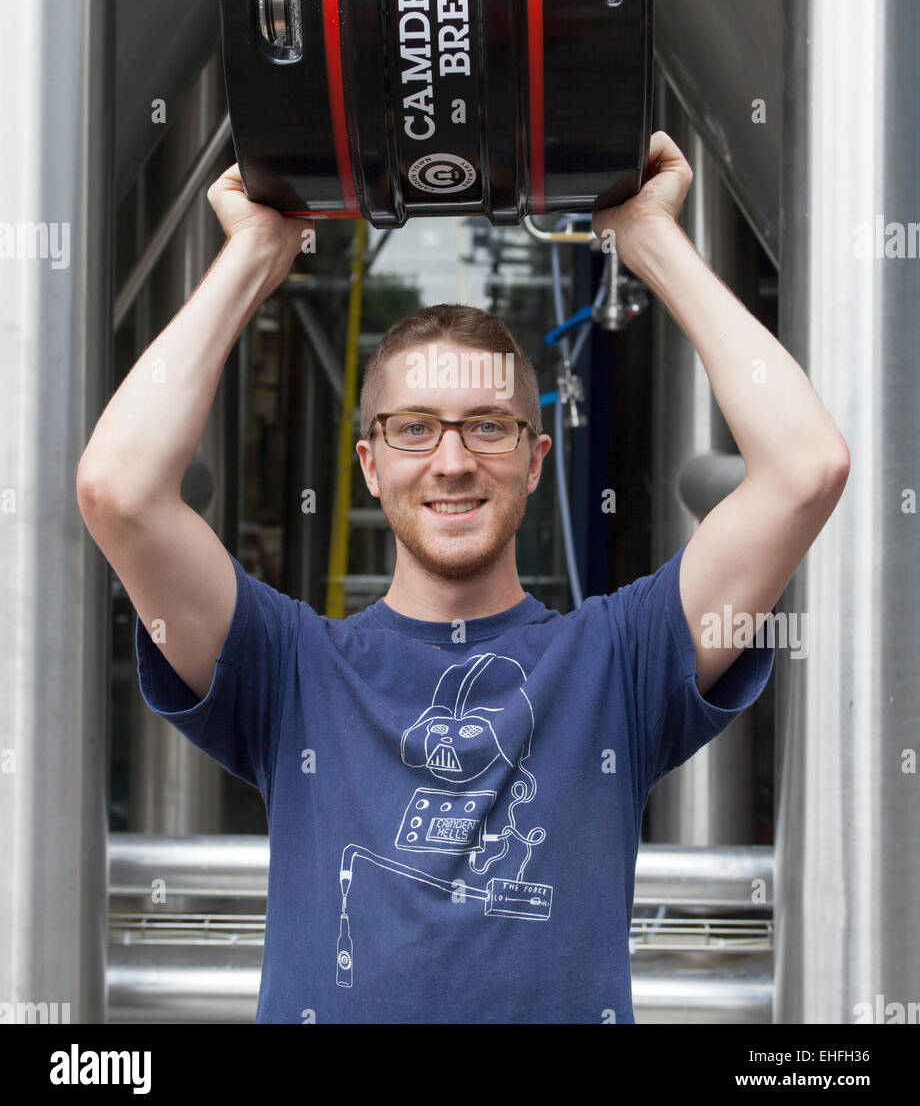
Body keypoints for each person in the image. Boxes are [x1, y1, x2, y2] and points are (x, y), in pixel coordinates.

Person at [76, 132, 849, 1023]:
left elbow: (807, 470)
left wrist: (646, 239)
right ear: (369, 465)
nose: (451, 461)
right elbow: (117, 490)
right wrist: (255, 253)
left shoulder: (618, 663)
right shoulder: (292, 670)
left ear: (535, 460)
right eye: (414, 429)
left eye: (489, 426)